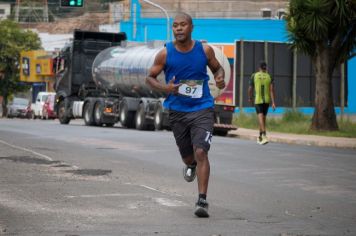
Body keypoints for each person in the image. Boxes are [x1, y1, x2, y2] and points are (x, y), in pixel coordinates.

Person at [146, 12, 225, 218]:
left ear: (191, 27)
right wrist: (166, 88)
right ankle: (190, 165)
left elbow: (218, 69)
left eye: (182, 25)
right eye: (175, 26)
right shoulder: (165, 53)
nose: (178, 28)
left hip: (202, 108)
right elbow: (150, 78)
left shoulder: (204, 50)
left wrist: (220, 79)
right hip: (178, 111)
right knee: (189, 157)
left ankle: (202, 200)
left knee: (201, 152)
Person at [248, 61, 276, 145]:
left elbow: (250, 88)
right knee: (263, 119)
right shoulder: (269, 76)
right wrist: (273, 103)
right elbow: (271, 90)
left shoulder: (254, 75)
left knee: (260, 118)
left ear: (259, 68)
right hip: (267, 101)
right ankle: (260, 136)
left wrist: (250, 98)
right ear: (266, 68)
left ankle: (264, 134)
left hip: (258, 100)